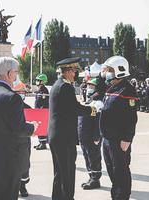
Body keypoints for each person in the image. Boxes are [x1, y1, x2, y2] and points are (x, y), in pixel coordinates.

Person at [0, 57, 38, 200]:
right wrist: (33, 127)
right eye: (16, 72)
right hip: (9, 161)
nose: (16, 76)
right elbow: (20, 129)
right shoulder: (12, 98)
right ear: (10, 73)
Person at [48, 57, 103, 200]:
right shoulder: (65, 87)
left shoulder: (57, 84)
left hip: (57, 136)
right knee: (67, 173)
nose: (75, 74)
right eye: (73, 71)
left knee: (59, 173)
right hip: (64, 137)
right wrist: (93, 109)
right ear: (67, 71)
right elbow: (75, 108)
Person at [100, 56, 138, 200]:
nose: (107, 73)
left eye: (110, 70)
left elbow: (131, 118)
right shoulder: (111, 87)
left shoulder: (127, 90)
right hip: (107, 138)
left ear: (119, 71)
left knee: (121, 171)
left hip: (119, 139)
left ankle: (122, 196)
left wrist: (127, 138)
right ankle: (115, 195)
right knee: (112, 170)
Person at [78, 78, 103, 190]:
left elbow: (98, 121)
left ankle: (95, 179)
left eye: (92, 86)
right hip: (84, 136)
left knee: (94, 157)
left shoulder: (98, 103)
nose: (89, 88)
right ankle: (91, 177)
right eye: (88, 86)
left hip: (93, 137)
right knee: (87, 157)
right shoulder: (88, 101)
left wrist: (97, 136)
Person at [34, 73, 50, 150]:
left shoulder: (44, 90)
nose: (37, 81)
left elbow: (45, 101)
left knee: (41, 128)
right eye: (37, 80)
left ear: (43, 82)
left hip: (42, 111)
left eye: (38, 80)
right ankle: (40, 142)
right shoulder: (39, 90)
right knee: (38, 128)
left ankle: (43, 144)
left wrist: (41, 110)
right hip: (38, 111)